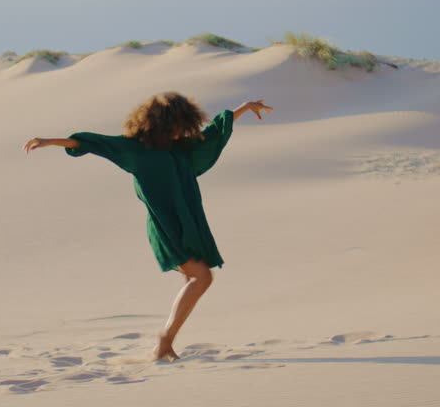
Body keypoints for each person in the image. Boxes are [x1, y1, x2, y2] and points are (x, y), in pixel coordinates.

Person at [24, 93, 273, 361]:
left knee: (195, 278)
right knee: (202, 278)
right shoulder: (134, 149)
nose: (181, 130)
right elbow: (89, 142)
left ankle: (166, 342)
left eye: (184, 125)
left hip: (188, 220)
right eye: (177, 124)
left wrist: (245, 108)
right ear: (160, 122)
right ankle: (164, 341)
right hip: (165, 225)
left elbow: (213, 132)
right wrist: (50, 141)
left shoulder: (181, 148)